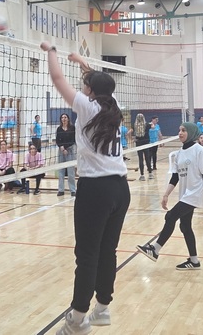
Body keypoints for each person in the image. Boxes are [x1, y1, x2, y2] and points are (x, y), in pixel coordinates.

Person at [41, 42, 130, 335]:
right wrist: (81, 61)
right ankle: (102, 308)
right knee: (107, 250)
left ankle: (78, 319)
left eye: (85, 85)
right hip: (120, 189)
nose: (83, 87)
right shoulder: (113, 106)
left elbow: (57, 79)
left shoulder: (85, 106)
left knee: (87, 255)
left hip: (95, 190)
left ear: (90, 90)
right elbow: (99, 82)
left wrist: (51, 51)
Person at [136, 122, 203, 270]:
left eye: (183, 130)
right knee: (185, 226)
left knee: (171, 216)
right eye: (179, 130)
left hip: (195, 193)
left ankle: (155, 250)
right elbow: (175, 177)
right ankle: (194, 261)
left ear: (191, 132)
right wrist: (166, 195)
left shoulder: (199, 150)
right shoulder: (179, 153)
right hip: (185, 194)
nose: (180, 133)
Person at [56, 113, 77, 196]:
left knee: (70, 171)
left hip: (70, 150)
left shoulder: (72, 128)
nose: (63, 119)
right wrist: (61, 147)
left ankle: (73, 190)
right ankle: (61, 190)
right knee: (61, 170)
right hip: (61, 150)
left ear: (68, 119)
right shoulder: (59, 129)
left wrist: (66, 148)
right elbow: (57, 140)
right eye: (62, 117)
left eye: (65, 117)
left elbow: (73, 140)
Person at [133, 113, 150, 181]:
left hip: (138, 143)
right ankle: (150, 173)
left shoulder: (135, 125)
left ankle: (142, 175)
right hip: (146, 143)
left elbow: (131, 133)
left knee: (140, 159)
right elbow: (153, 126)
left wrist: (134, 138)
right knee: (147, 158)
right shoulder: (147, 125)